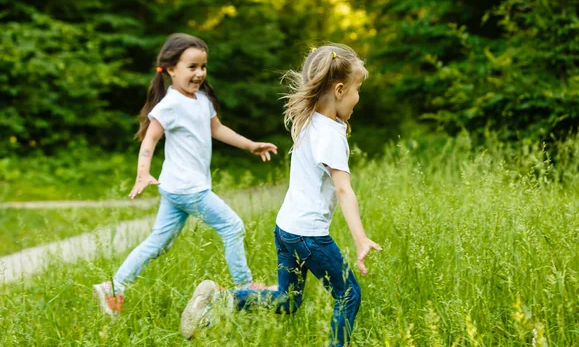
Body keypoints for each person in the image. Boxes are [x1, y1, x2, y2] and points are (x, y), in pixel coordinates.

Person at [180, 44, 381, 346]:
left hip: (286, 230)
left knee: (286, 300)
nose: (358, 97)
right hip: (311, 237)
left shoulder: (308, 120)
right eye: (357, 90)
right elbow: (344, 189)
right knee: (348, 294)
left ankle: (218, 302)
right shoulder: (330, 137)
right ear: (339, 89)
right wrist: (360, 238)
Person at [93, 33, 278, 315]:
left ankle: (114, 287)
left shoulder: (201, 99)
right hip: (188, 189)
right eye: (192, 67)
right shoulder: (169, 106)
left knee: (158, 243)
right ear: (171, 69)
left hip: (176, 188)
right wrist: (142, 173)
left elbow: (217, 129)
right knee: (232, 227)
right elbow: (150, 140)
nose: (199, 73)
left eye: (202, 67)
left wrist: (249, 145)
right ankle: (244, 286)